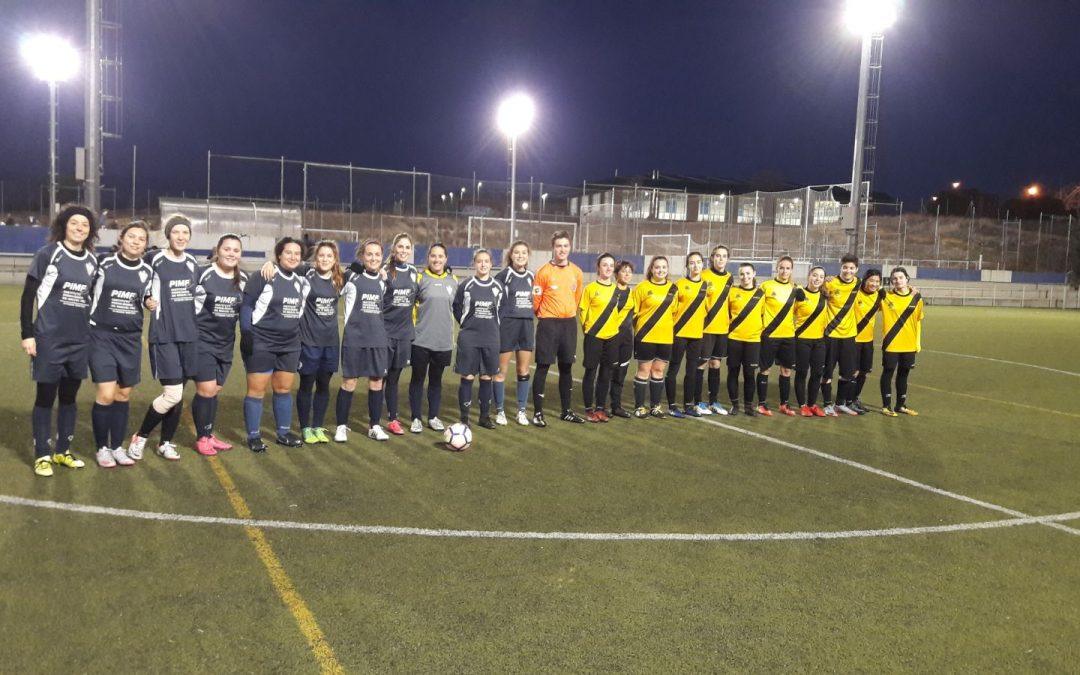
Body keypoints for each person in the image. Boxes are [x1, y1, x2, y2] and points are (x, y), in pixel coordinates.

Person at [21, 204, 100, 476]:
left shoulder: (92, 260)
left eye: (85, 225)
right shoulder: (48, 254)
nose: (80, 228)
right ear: (64, 226)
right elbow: (28, 296)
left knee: (69, 397)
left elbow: (93, 300)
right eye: (74, 223)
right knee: (45, 396)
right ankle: (42, 453)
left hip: (79, 341)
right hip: (49, 339)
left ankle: (62, 450)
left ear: (91, 231)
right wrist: (27, 334)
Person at [128, 214, 199, 461]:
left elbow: (198, 294)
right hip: (164, 335)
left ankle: (165, 443)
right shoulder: (154, 259)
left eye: (185, 232)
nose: (181, 236)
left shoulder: (191, 262)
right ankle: (141, 436)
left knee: (178, 394)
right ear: (168, 235)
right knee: (172, 394)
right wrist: (146, 299)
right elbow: (137, 281)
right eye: (176, 232)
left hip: (189, 337)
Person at [88, 221, 154, 467]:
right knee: (106, 394)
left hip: (130, 338)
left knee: (123, 394)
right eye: (132, 236)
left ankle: (117, 446)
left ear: (145, 244)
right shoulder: (104, 263)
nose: (136, 241)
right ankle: (101, 447)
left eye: (141, 239)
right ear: (122, 239)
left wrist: (148, 301)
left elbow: (147, 295)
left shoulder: (148, 271)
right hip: (102, 336)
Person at [239, 237, 310, 452]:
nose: (293, 257)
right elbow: (247, 305)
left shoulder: (301, 281)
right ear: (279, 255)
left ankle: (283, 432)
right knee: (257, 390)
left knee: (283, 388)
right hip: (262, 342)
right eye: (288, 252)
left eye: (297, 253)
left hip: (289, 344)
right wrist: (246, 332)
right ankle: (253, 436)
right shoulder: (264, 275)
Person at [191, 234, 247, 455]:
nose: (231, 253)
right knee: (206, 390)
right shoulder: (203, 273)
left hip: (225, 343)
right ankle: (202, 437)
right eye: (227, 249)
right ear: (218, 250)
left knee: (215, 390)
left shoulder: (243, 278)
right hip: (201, 340)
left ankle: (208, 432)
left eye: (236, 250)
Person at [335, 239, 391, 442]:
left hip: (377, 339)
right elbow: (329, 281)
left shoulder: (384, 281)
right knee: (349, 382)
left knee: (376, 383)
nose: (373, 258)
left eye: (377, 254)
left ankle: (374, 426)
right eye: (369, 254)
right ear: (362, 256)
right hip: (354, 339)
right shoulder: (351, 277)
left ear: (382, 257)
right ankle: (341, 426)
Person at [530, 231, 585, 426]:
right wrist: (546, 317)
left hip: (569, 324)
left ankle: (566, 411)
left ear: (570, 248)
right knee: (543, 366)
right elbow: (536, 302)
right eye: (558, 246)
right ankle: (537, 413)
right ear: (553, 248)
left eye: (565, 246)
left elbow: (576, 298)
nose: (562, 249)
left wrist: (567, 313)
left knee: (566, 367)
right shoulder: (543, 272)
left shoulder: (577, 272)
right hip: (548, 324)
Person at [296, 241, 343, 444]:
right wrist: (270, 264)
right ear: (316, 258)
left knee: (324, 386)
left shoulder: (340, 279)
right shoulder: (306, 275)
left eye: (329, 256)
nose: (325, 259)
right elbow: (285, 265)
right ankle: (306, 427)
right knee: (306, 385)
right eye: (321, 255)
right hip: (309, 342)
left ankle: (318, 426)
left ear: (335, 260)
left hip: (331, 343)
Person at [409, 242, 458, 433]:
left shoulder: (453, 280)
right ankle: (415, 418)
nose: (436, 260)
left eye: (440, 256)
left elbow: (457, 308)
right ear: (428, 258)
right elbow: (410, 306)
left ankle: (433, 416)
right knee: (418, 379)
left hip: (443, 341)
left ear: (446, 259)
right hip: (421, 340)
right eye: (433, 256)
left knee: (436, 381)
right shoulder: (420, 279)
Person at [453, 249, 503, 428]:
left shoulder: (498, 287)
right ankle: (464, 418)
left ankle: (484, 417)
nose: (483, 264)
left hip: (490, 338)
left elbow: (501, 311)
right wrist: (466, 324)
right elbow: (457, 307)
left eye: (486, 261)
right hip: (469, 338)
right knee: (467, 376)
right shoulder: (466, 285)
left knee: (486, 377)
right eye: (479, 261)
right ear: (474, 264)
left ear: (491, 264)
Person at [578, 253, 631, 422]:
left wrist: (614, 328)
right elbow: (583, 311)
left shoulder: (618, 291)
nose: (608, 268)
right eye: (604, 265)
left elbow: (622, 313)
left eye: (610, 265)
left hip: (612, 338)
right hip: (594, 336)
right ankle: (588, 409)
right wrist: (588, 329)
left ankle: (600, 408)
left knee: (606, 373)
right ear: (598, 268)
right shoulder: (590, 288)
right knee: (591, 372)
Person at [630, 256, 678, 418]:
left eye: (664, 267)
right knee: (644, 371)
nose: (661, 270)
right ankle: (639, 407)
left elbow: (674, 312)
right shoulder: (642, 287)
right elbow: (633, 313)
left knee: (658, 371)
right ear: (651, 269)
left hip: (665, 338)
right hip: (645, 337)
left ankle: (655, 406)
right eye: (657, 267)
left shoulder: (673, 289)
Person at [381, 233, 419, 436]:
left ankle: (392, 419)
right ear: (394, 249)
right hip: (386, 333)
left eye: (407, 247)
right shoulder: (385, 271)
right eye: (400, 247)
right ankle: (374, 419)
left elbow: (422, 294)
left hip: (405, 335)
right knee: (380, 377)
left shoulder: (413, 272)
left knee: (394, 379)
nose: (404, 250)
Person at [494, 241, 535, 426]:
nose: (520, 255)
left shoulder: (533, 277)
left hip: (526, 327)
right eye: (516, 252)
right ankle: (500, 410)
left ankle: (521, 411)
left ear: (528, 255)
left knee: (523, 370)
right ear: (511, 255)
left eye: (523, 253)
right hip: (507, 327)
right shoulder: (503, 276)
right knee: (501, 371)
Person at [666, 252, 708, 417]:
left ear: (703, 265)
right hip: (679, 334)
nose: (695, 266)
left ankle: (688, 405)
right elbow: (671, 310)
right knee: (674, 369)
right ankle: (672, 405)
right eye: (692, 263)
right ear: (687, 266)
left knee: (691, 371)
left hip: (696, 336)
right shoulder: (679, 285)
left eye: (698, 262)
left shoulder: (706, 286)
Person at [756, 256, 799, 416]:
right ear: (777, 268)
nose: (784, 271)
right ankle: (761, 404)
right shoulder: (766, 286)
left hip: (788, 336)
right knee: (765, 369)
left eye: (788, 268)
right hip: (769, 335)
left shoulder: (796, 288)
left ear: (791, 270)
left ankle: (784, 404)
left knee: (786, 371)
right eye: (781, 267)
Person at [879, 267, 923, 416]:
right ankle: (886, 406)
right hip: (891, 343)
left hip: (909, 344)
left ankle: (900, 405)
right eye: (894, 279)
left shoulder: (917, 298)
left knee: (904, 374)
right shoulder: (885, 296)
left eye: (900, 278)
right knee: (888, 372)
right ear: (891, 281)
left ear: (907, 279)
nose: (897, 281)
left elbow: (918, 322)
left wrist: (917, 343)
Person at [821, 254, 861, 417]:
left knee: (847, 373)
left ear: (856, 270)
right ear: (841, 267)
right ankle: (826, 404)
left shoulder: (859, 284)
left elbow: (875, 291)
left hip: (849, 336)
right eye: (845, 267)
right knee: (827, 372)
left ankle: (840, 403)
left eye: (851, 268)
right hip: (830, 335)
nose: (848, 270)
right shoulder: (830, 283)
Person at [695, 245, 732, 415]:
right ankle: (697, 401)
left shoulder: (730, 278)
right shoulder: (703, 276)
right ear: (712, 258)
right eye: (717, 256)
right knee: (701, 364)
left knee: (716, 364)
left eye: (724, 256)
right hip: (705, 329)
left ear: (727, 259)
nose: (721, 259)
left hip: (722, 329)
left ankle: (714, 401)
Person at [726, 263, 765, 416]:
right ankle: (735, 405)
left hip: (753, 341)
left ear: (754, 274)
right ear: (738, 275)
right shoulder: (732, 292)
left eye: (748, 273)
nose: (745, 277)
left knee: (749, 374)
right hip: (734, 339)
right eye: (742, 274)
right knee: (733, 372)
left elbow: (763, 315)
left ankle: (748, 406)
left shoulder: (761, 294)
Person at [792, 266, 829, 417]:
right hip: (802, 340)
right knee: (801, 373)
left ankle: (812, 404)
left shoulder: (825, 295)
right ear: (809, 276)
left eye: (821, 276)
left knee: (817, 373)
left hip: (819, 341)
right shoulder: (799, 294)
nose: (817, 279)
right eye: (814, 275)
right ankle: (802, 405)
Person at [851, 269, 885, 414]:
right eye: (871, 280)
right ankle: (847, 400)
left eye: (877, 282)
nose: (874, 284)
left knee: (864, 372)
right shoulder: (855, 293)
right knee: (853, 372)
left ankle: (855, 398)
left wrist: (912, 290)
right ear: (865, 280)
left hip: (868, 341)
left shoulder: (880, 296)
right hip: (853, 338)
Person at [606, 260, 636, 418]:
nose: (627, 274)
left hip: (626, 339)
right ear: (616, 274)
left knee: (621, 373)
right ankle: (600, 405)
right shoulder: (609, 291)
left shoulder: (633, 293)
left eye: (629, 271)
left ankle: (616, 406)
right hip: (610, 337)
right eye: (623, 271)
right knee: (607, 371)